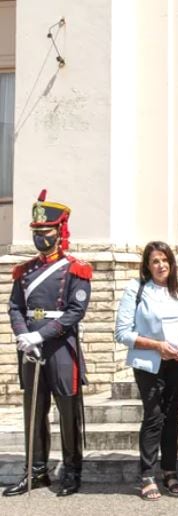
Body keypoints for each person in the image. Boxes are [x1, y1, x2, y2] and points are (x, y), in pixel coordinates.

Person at [5, 190, 91, 497]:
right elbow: (15, 306)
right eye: (37, 233)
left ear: (60, 232)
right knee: (34, 410)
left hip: (60, 349)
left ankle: (72, 470)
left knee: (67, 411)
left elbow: (75, 311)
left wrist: (42, 334)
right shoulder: (24, 271)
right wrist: (22, 335)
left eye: (47, 232)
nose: (41, 238)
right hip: (30, 349)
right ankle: (36, 471)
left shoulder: (75, 269)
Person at [114, 241, 178, 500]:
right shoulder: (136, 289)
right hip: (149, 363)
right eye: (155, 261)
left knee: (171, 416)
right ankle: (147, 475)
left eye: (165, 260)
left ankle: (170, 471)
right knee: (154, 415)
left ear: (172, 263)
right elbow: (122, 332)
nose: (161, 265)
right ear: (147, 266)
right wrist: (157, 345)